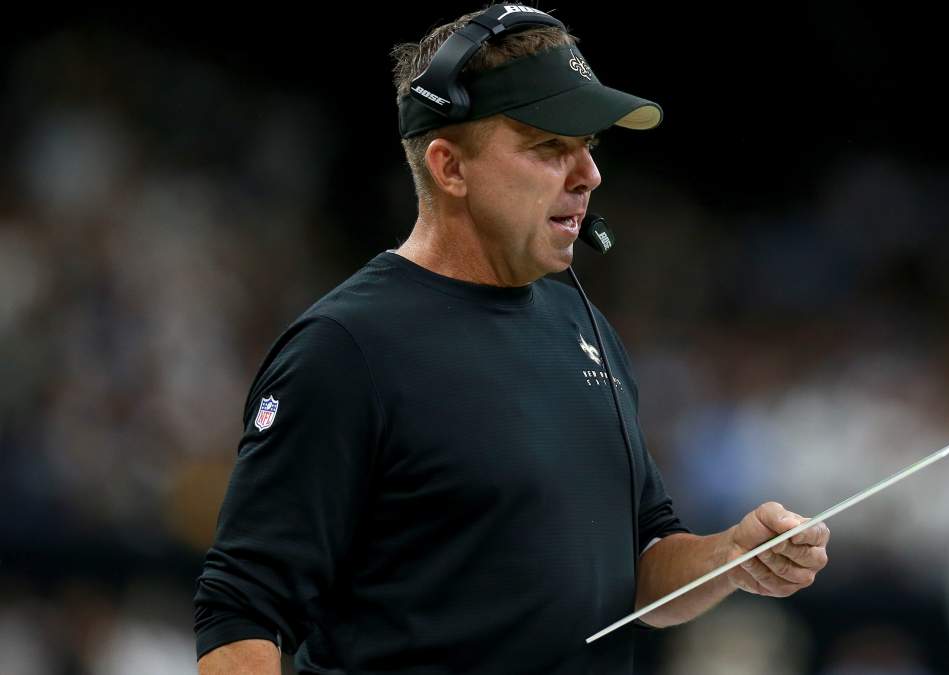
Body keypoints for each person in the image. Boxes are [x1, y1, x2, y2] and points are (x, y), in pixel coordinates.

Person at [193, 6, 830, 674]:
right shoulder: (346, 349)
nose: (589, 174)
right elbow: (241, 612)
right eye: (550, 147)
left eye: (588, 145)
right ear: (450, 167)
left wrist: (732, 555)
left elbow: (640, 562)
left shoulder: (584, 328)